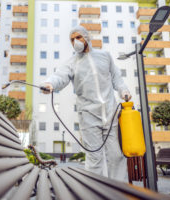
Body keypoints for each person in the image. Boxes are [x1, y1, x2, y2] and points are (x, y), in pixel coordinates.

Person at [41, 26, 131, 182]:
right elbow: (59, 76)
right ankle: (95, 192)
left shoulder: (105, 56)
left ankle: (119, 192)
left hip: (110, 114)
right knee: (94, 158)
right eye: (72, 39)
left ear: (87, 37)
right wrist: (50, 84)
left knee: (116, 156)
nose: (75, 41)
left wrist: (124, 91)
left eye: (78, 37)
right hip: (88, 116)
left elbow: (117, 78)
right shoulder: (72, 62)